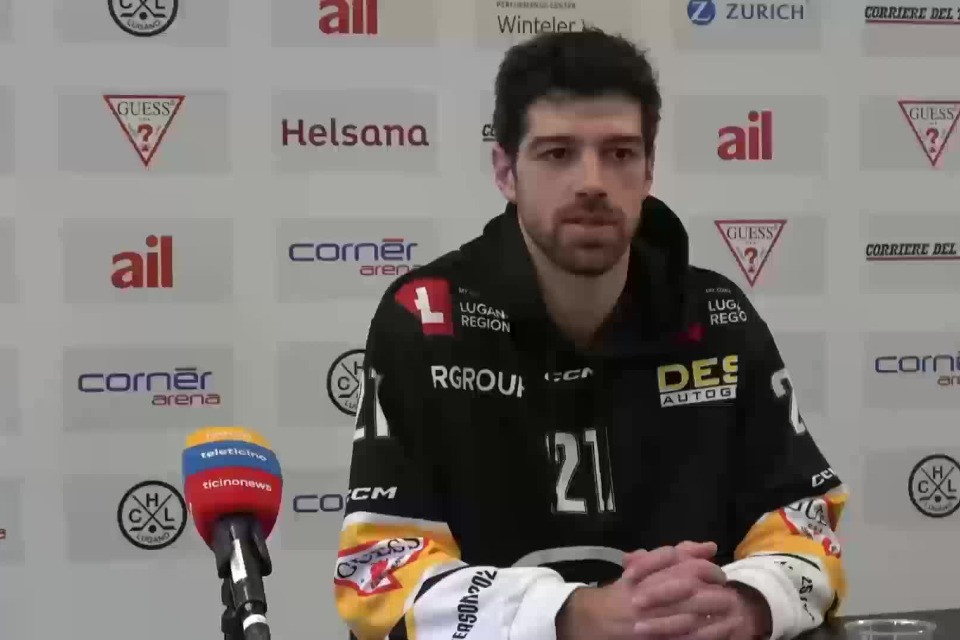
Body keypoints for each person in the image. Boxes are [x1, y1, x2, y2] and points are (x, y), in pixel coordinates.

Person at [333, 27, 848, 640]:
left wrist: (747, 601)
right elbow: (382, 566)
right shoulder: (426, 318)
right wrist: (573, 615)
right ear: (505, 171)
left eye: (620, 153)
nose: (593, 182)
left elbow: (801, 523)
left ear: (649, 169)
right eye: (557, 153)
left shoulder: (718, 316)